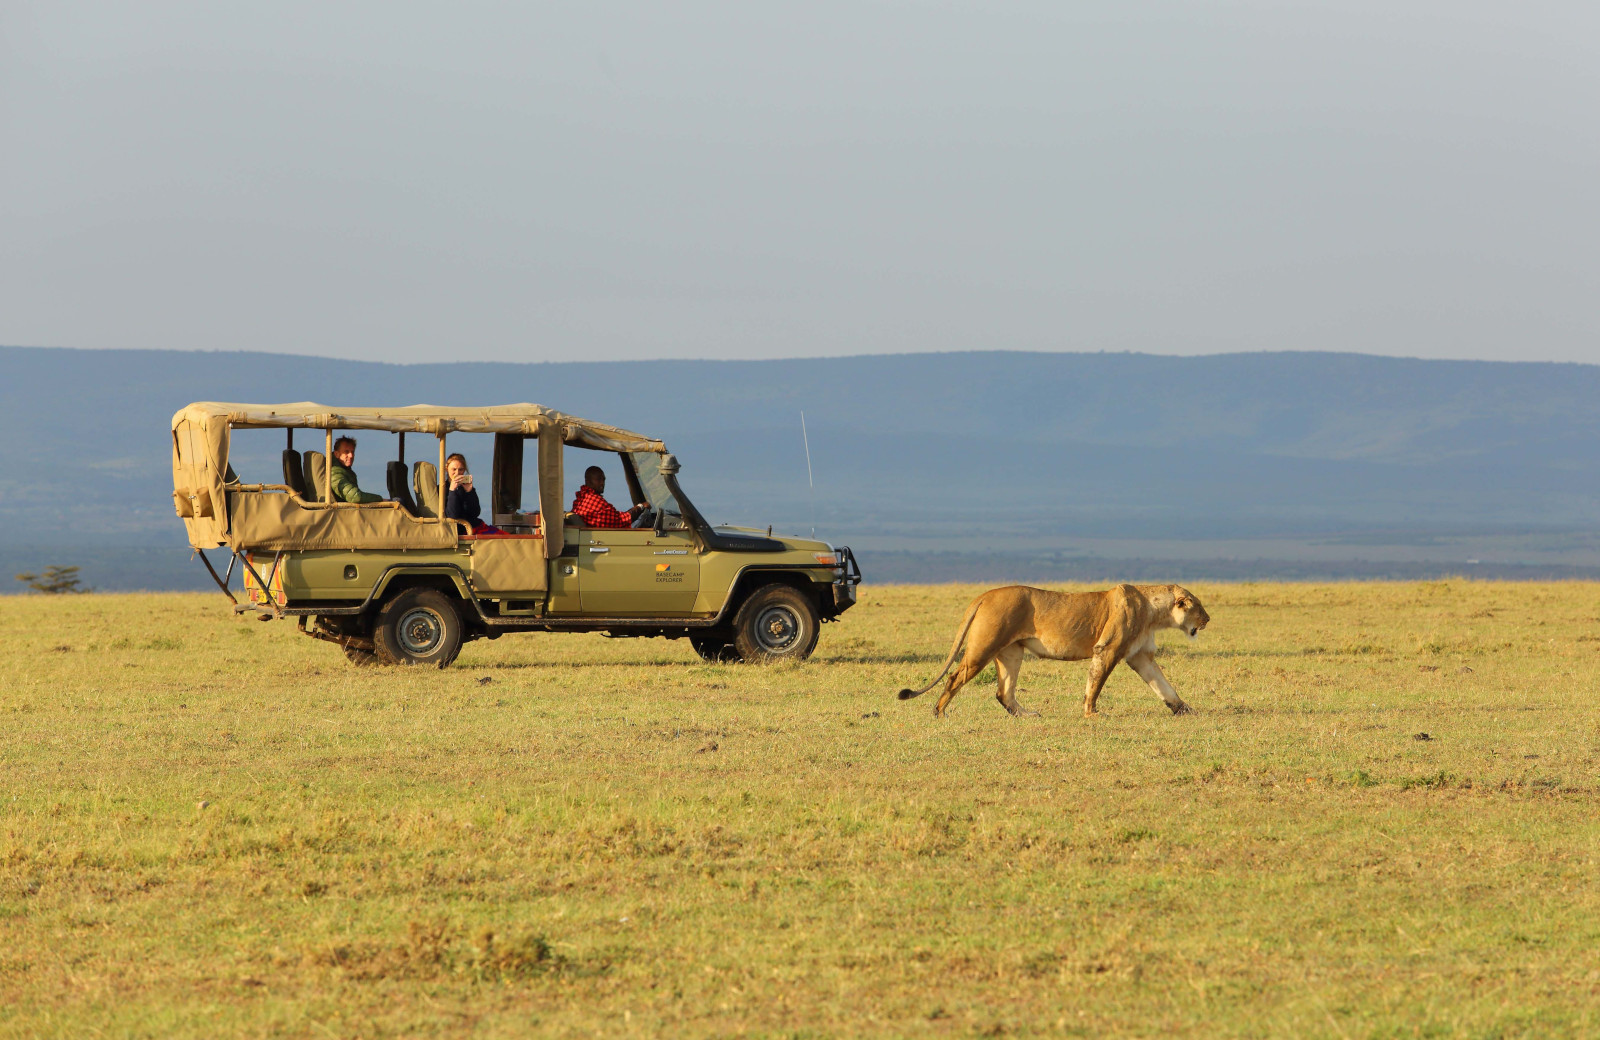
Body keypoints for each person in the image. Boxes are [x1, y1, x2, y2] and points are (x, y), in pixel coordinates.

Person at [570, 465, 645, 529]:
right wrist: (641, 506)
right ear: (588, 481)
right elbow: (619, 520)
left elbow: (614, 517)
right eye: (599, 479)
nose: (602, 483)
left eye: (603, 479)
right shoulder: (592, 500)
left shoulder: (582, 499)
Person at [444, 453, 502, 535]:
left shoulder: (464, 488)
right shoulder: (441, 489)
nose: (457, 473)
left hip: (474, 526)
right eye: (454, 469)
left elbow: (475, 512)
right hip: (459, 530)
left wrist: (470, 491)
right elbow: (452, 516)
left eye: (461, 470)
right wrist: (452, 491)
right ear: (447, 469)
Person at [330, 436, 384, 504]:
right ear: (336, 454)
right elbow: (355, 497)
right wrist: (380, 499)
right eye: (346, 452)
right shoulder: (334, 472)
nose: (351, 455)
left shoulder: (347, 471)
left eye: (352, 452)